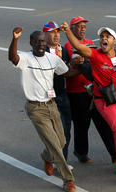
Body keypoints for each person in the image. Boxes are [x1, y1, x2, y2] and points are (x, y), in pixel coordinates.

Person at [61, 22, 116, 182]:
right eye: (102, 36)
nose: (104, 38)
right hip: (103, 100)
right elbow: (79, 47)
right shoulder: (95, 55)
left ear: (114, 41)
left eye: (107, 36)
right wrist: (68, 31)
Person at [8, 28, 76, 192]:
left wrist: (86, 66)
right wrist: (15, 39)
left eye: (42, 41)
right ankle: (68, 179)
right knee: (54, 143)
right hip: (36, 108)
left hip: (51, 104)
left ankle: (46, 157)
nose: (40, 44)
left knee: (61, 141)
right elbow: (13, 57)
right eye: (37, 41)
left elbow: (67, 73)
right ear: (31, 43)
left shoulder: (53, 59)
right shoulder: (26, 58)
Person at [64, 16, 116, 163]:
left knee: (103, 122)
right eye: (79, 26)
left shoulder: (90, 43)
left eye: (84, 26)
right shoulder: (67, 46)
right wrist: (75, 63)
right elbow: (66, 70)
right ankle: (81, 153)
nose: (82, 29)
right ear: (72, 29)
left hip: (94, 90)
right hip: (77, 93)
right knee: (82, 124)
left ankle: (115, 154)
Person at [43, 21, 73, 168]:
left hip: (63, 95)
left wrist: (74, 65)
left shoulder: (63, 50)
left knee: (66, 129)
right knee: (58, 131)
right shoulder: (41, 51)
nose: (56, 35)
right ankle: (58, 161)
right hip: (49, 98)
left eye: (57, 32)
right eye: (52, 32)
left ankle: (61, 160)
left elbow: (67, 72)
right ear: (45, 34)